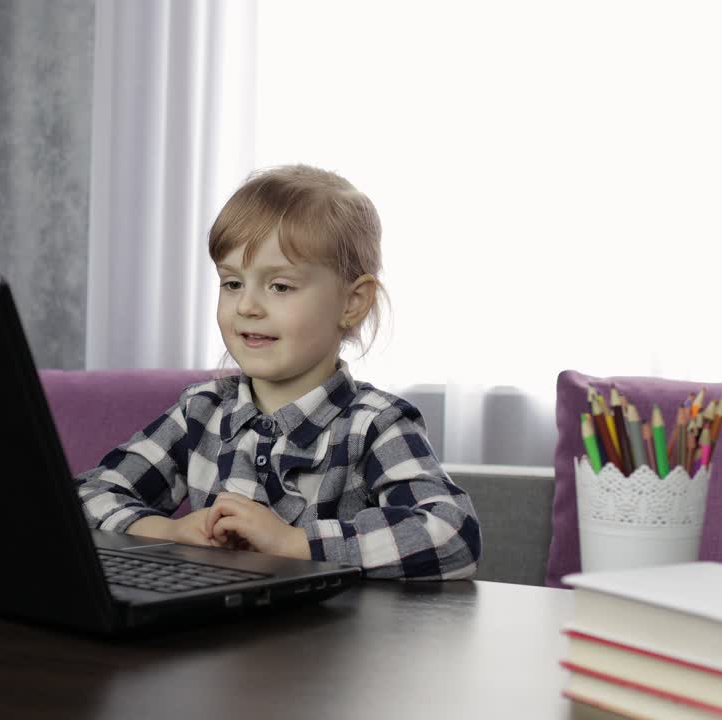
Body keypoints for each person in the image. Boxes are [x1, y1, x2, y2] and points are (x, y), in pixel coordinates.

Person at [76, 165, 481, 579]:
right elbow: (85, 496)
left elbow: (452, 533)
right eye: (232, 284)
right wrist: (169, 531)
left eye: (280, 286)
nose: (247, 306)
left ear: (352, 303)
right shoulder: (201, 412)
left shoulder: (375, 425)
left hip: (336, 641)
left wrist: (296, 543)